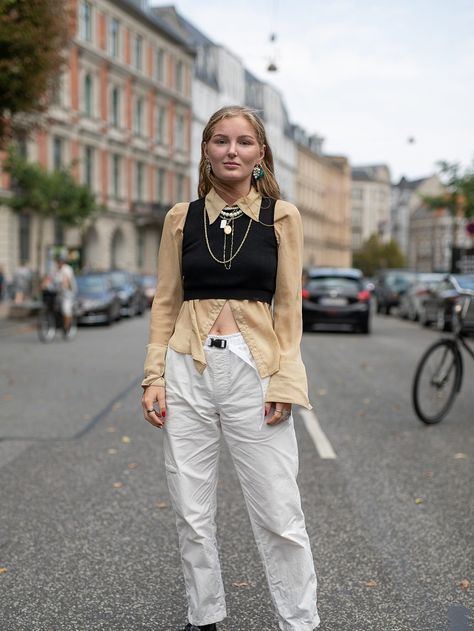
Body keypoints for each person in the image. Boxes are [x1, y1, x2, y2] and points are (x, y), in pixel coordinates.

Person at [141, 105, 320, 631]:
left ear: (259, 153)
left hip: (255, 371)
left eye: (243, 142)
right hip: (187, 367)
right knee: (191, 512)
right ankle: (205, 616)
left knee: (279, 512)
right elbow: (165, 303)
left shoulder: (281, 217)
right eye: (221, 141)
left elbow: (289, 307)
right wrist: (154, 375)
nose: (232, 151)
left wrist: (286, 378)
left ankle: (300, 621)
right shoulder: (181, 218)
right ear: (206, 151)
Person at [54, 252, 77, 333]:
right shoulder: (56, 269)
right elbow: (49, 278)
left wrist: (64, 285)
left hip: (68, 293)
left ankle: (67, 327)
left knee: (66, 309)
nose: (58, 263)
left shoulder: (67, 269)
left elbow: (66, 279)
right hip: (58, 292)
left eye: (59, 261)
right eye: (57, 261)